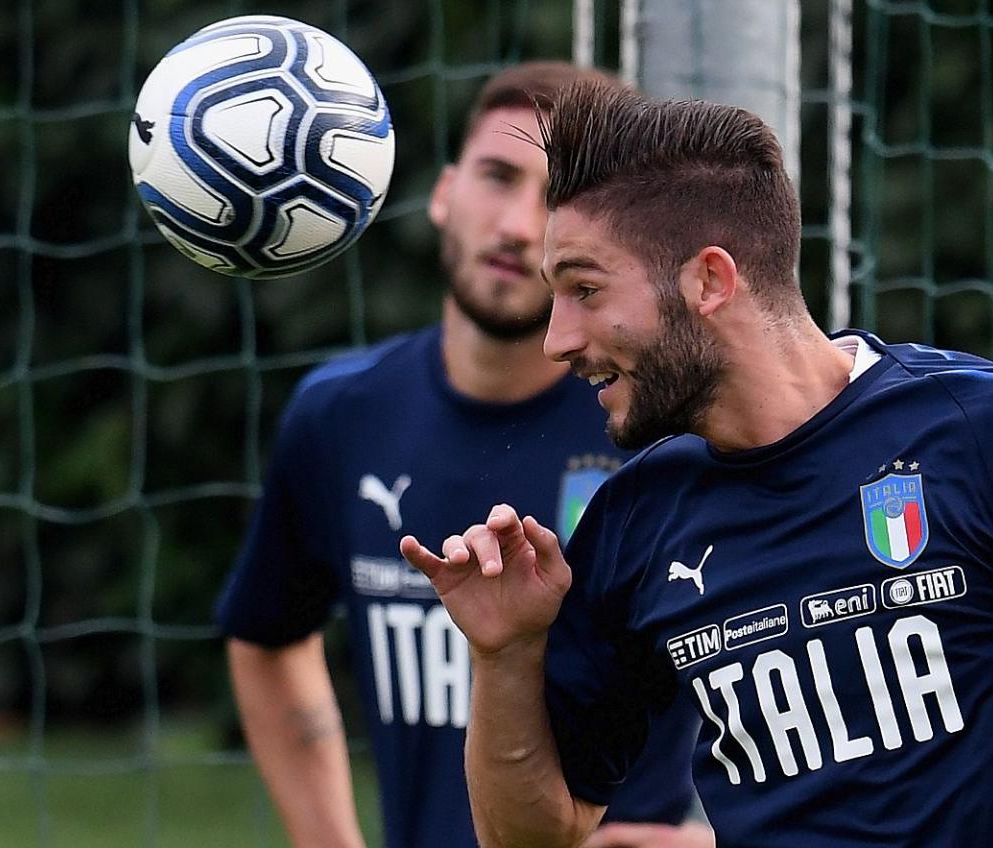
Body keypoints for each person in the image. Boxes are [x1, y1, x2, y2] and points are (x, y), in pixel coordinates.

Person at [400, 82, 993, 848]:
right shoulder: (636, 520)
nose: (558, 340)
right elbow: (533, 836)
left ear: (709, 280)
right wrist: (505, 656)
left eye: (584, 290)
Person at [215, 63, 709, 848]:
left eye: (550, 199)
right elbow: (268, 637)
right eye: (496, 176)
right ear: (444, 192)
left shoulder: (664, 438)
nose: (516, 224)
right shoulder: (340, 415)